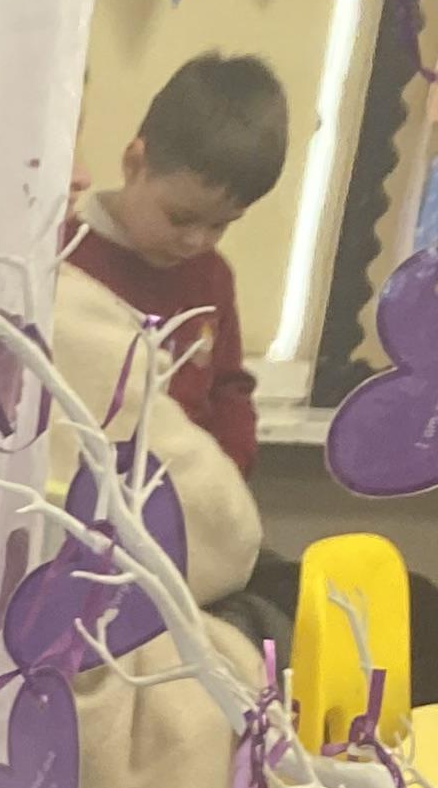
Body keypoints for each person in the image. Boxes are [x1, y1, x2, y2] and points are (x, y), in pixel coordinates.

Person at [65, 50, 287, 474]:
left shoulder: (212, 277)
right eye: (180, 217)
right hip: (81, 482)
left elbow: (228, 389)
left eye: (220, 225)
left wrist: (228, 471)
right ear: (134, 164)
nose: (195, 240)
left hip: (186, 492)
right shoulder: (66, 252)